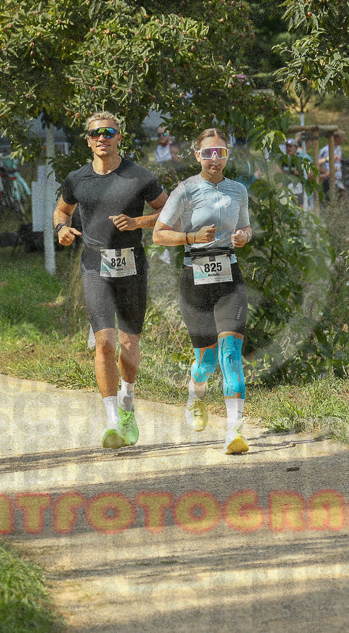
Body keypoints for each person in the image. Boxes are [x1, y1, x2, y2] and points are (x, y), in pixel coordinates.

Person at [53, 111, 168, 449]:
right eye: (95, 134)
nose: (101, 138)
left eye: (108, 132)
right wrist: (62, 229)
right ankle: (112, 420)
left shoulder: (139, 176)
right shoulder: (77, 179)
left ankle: (128, 400)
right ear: (88, 140)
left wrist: (137, 223)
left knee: (130, 345)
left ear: (119, 137)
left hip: (132, 267)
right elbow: (62, 210)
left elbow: (168, 212)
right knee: (104, 342)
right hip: (94, 266)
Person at [153, 128, 252, 454]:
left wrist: (243, 237)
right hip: (194, 276)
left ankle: (233, 432)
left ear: (227, 155)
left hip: (229, 276)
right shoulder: (185, 190)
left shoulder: (238, 190)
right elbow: (159, 234)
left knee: (230, 356)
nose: (214, 158)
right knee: (206, 362)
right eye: (208, 153)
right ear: (197, 155)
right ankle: (196, 395)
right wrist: (190, 238)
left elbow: (246, 226)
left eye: (220, 152)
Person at [280, 138, 313, 210]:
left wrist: (301, 173)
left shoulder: (302, 160)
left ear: (296, 148)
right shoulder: (284, 162)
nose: (288, 149)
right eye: (287, 147)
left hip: (300, 192)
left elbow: (311, 175)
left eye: (290, 146)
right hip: (288, 192)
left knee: (302, 212)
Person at [318, 129, 345, 198]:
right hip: (329, 179)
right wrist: (328, 172)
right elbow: (318, 165)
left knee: (341, 196)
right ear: (335, 138)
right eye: (341, 137)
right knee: (331, 198)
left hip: (338, 178)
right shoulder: (326, 150)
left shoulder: (339, 149)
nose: (343, 139)